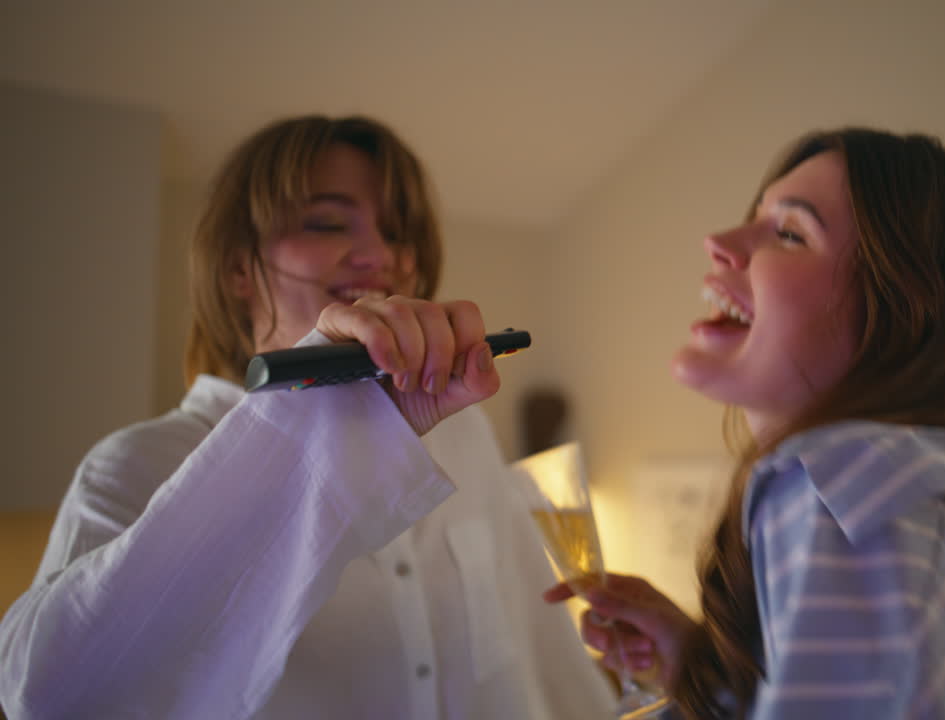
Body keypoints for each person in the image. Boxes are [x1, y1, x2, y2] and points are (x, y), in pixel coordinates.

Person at [546, 128, 945, 718]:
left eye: (789, 233)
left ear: (902, 316)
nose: (718, 245)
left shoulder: (857, 484)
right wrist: (702, 669)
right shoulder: (939, 492)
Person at [0, 115, 615, 719]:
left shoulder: (466, 434)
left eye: (400, 234)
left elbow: (541, 652)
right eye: (325, 222)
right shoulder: (138, 463)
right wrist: (308, 429)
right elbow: (49, 699)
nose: (382, 257)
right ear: (240, 269)